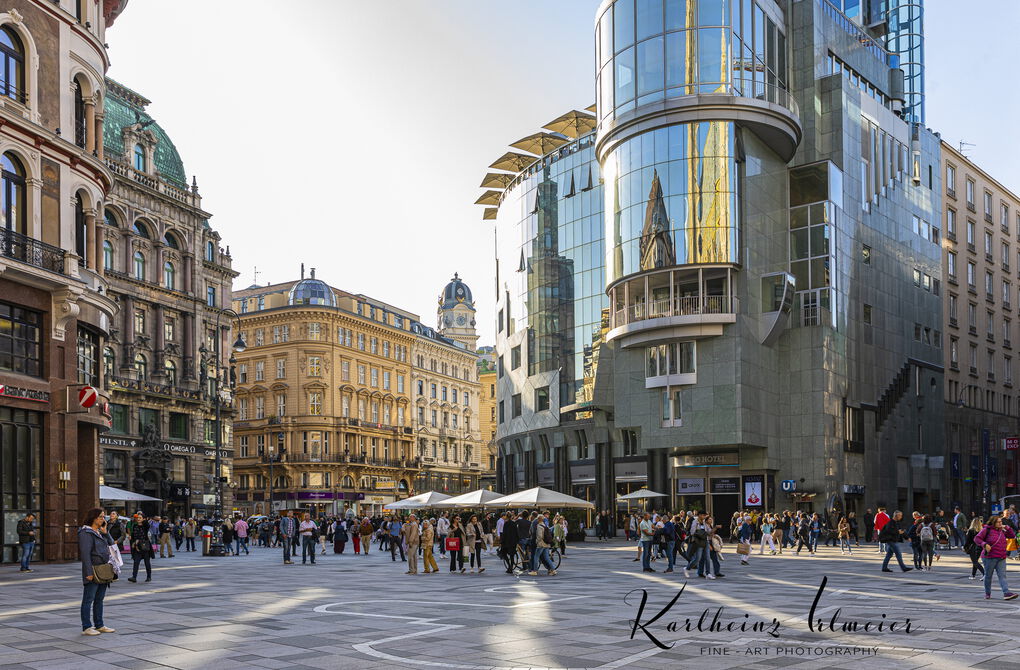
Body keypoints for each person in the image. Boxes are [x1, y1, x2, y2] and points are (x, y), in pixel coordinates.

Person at [78, 508, 115, 636]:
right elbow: (85, 554)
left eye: (104, 517)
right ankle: (86, 627)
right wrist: (88, 572)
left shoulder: (99, 532)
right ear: (93, 518)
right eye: (100, 517)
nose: (103, 519)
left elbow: (111, 545)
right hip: (93, 569)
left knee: (99, 599)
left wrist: (106, 533)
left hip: (103, 570)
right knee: (88, 599)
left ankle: (99, 624)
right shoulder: (86, 533)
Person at [974, 516, 1018, 600]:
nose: (1000, 523)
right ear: (993, 523)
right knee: (988, 576)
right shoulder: (987, 530)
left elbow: (1012, 536)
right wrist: (984, 544)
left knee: (1002, 576)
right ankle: (987, 593)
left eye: (1001, 522)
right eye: (998, 522)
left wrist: (1007, 527)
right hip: (989, 557)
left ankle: (1006, 593)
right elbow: (977, 538)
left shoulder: (1002, 530)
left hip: (1001, 557)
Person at [127, 513, 154, 583]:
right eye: (137, 518)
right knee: (136, 562)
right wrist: (133, 542)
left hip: (144, 546)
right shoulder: (135, 525)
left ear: (143, 519)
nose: (138, 519)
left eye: (140, 518)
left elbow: (147, 524)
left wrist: (144, 520)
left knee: (147, 562)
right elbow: (133, 535)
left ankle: (149, 576)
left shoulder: (145, 526)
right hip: (137, 547)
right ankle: (134, 577)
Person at [528, 511, 557, 576]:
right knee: (546, 557)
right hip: (547, 544)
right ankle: (553, 569)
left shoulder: (539, 526)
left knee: (536, 557)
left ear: (538, 519)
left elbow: (539, 536)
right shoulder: (544, 525)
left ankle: (535, 571)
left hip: (541, 544)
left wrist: (537, 542)